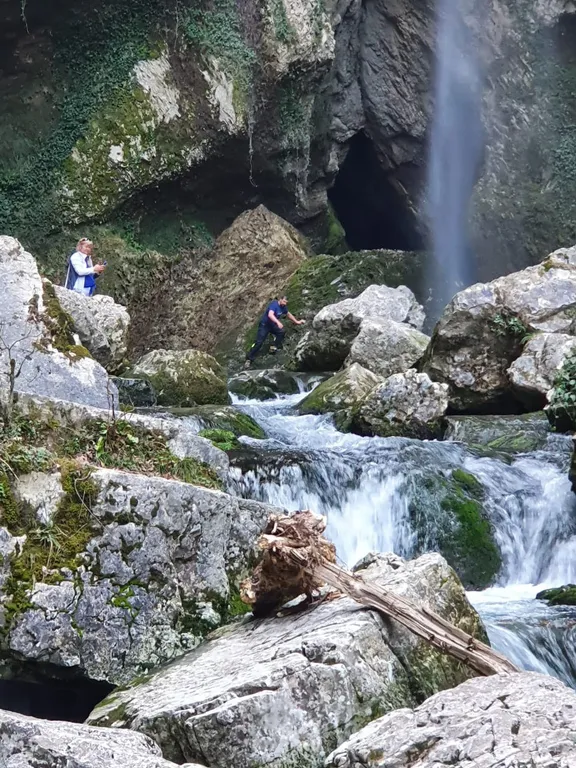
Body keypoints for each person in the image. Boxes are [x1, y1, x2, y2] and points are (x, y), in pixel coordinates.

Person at [245, 295, 305, 367]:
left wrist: (296, 321)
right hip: (265, 325)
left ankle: (273, 346)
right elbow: (270, 315)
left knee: (281, 332)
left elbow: (288, 314)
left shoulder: (283, 307)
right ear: (280, 300)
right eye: (284, 301)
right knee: (259, 342)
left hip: (272, 325)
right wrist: (278, 322)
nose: (285, 304)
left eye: (286, 302)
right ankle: (249, 358)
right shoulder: (274, 304)